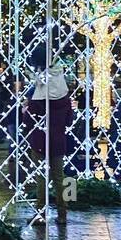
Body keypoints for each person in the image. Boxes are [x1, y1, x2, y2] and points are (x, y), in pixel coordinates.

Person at [24, 45, 74, 225]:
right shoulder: (64, 96)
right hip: (58, 141)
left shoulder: (37, 97)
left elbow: (28, 121)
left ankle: (41, 214)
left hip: (39, 141)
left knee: (41, 178)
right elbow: (69, 120)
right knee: (59, 178)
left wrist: (25, 110)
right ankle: (62, 214)